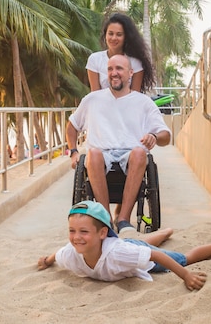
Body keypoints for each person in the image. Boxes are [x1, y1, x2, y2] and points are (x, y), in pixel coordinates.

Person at [67, 54, 171, 233]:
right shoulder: (93, 99)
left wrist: (154, 135)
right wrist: (74, 152)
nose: (114, 73)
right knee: (93, 154)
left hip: (130, 154)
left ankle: (123, 219)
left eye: (119, 69)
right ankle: (105, 217)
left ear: (130, 73)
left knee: (140, 153)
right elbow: (72, 126)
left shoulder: (143, 102)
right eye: (110, 69)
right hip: (100, 154)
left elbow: (165, 136)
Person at [37, 201, 211, 291]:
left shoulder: (118, 254)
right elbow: (59, 254)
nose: (76, 238)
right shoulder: (72, 253)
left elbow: (154, 256)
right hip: (126, 246)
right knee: (137, 246)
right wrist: (46, 261)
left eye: (83, 232)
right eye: (72, 231)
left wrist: (186, 275)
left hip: (124, 249)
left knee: (184, 258)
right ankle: (164, 233)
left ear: (102, 233)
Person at [86, 13, 155, 93]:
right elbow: (95, 94)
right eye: (110, 34)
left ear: (126, 37)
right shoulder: (95, 59)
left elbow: (135, 96)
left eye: (119, 34)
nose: (114, 38)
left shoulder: (135, 63)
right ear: (105, 35)